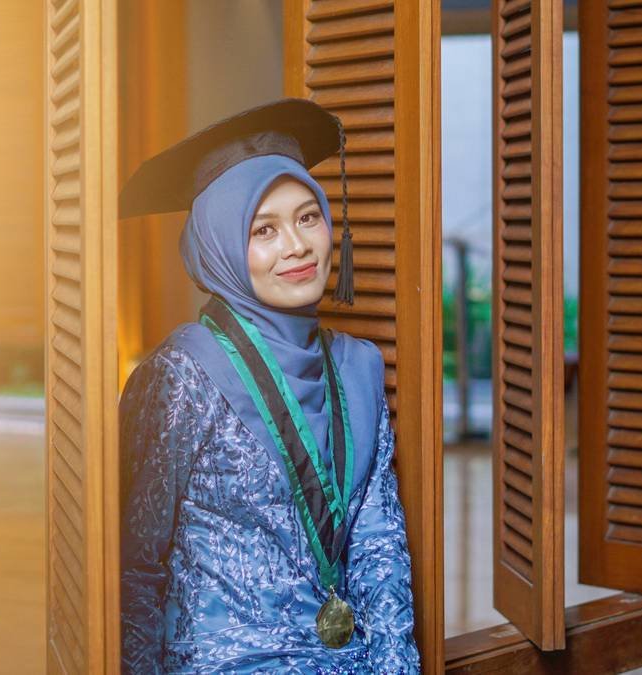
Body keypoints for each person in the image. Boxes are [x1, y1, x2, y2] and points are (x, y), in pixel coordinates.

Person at [117, 99, 420, 674]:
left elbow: (379, 547)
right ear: (220, 246)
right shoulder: (181, 376)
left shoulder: (358, 367)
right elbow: (136, 565)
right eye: (264, 229)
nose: (298, 246)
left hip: (346, 662)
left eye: (309, 217)